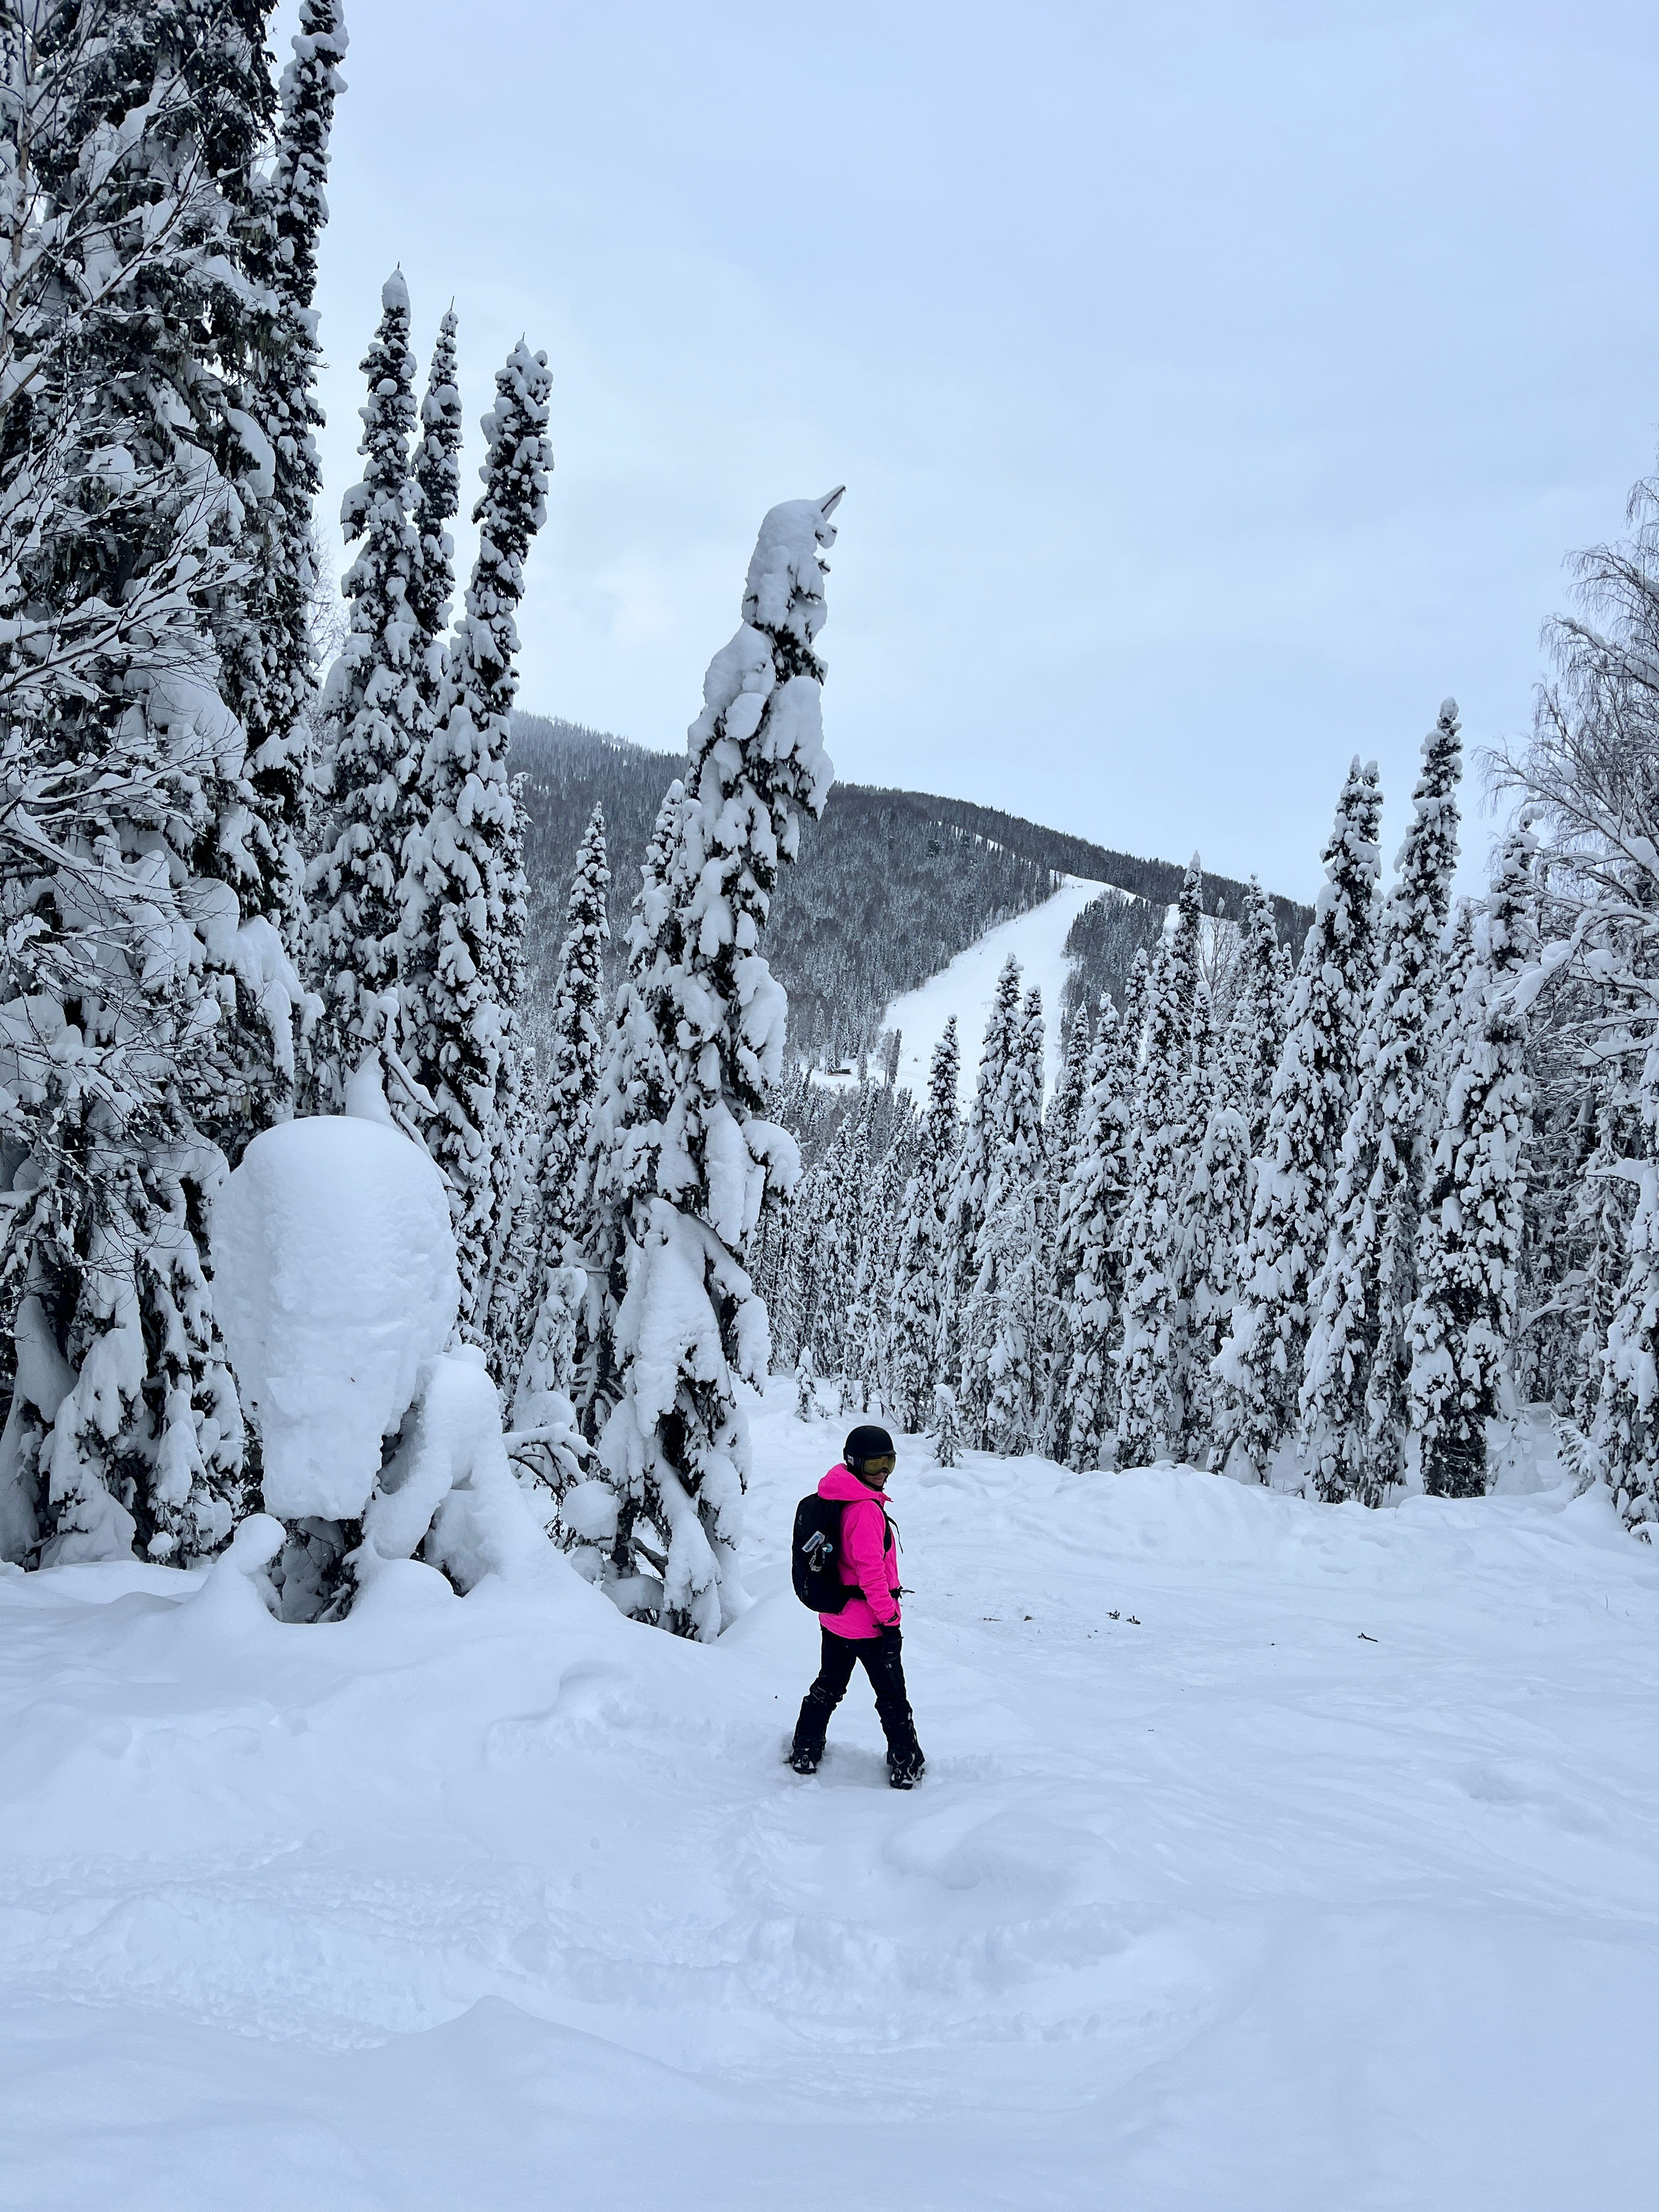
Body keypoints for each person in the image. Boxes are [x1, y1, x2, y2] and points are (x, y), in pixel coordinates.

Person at [789, 1423, 925, 1788]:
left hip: (835, 1619)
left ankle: (805, 1747)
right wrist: (890, 1620)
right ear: (854, 1464)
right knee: (892, 1697)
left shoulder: (837, 1495)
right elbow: (872, 1575)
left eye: (889, 1463)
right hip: (870, 1625)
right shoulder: (864, 1510)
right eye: (874, 1465)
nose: (883, 1473)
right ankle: (905, 1762)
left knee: (829, 1685)